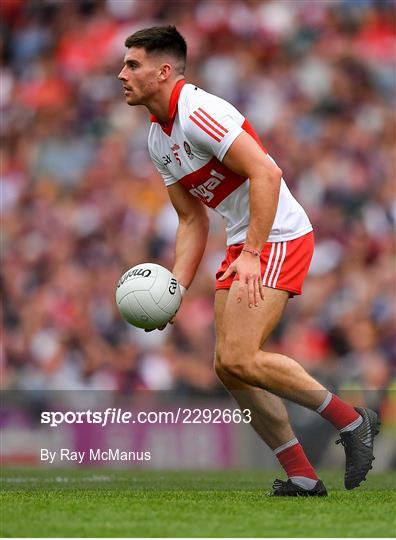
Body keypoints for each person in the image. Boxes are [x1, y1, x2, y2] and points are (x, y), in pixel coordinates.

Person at [118, 25, 380, 496]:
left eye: (133, 65)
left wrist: (254, 253)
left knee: (242, 355)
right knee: (228, 366)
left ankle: (352, 421)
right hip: (245, 239)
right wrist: (174, 288)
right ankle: (302, 475)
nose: (122, 74)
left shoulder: (200, 111)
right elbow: (191, 220)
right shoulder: (157, 139)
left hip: (277, 233)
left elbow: (267, 171)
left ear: (163, 71)